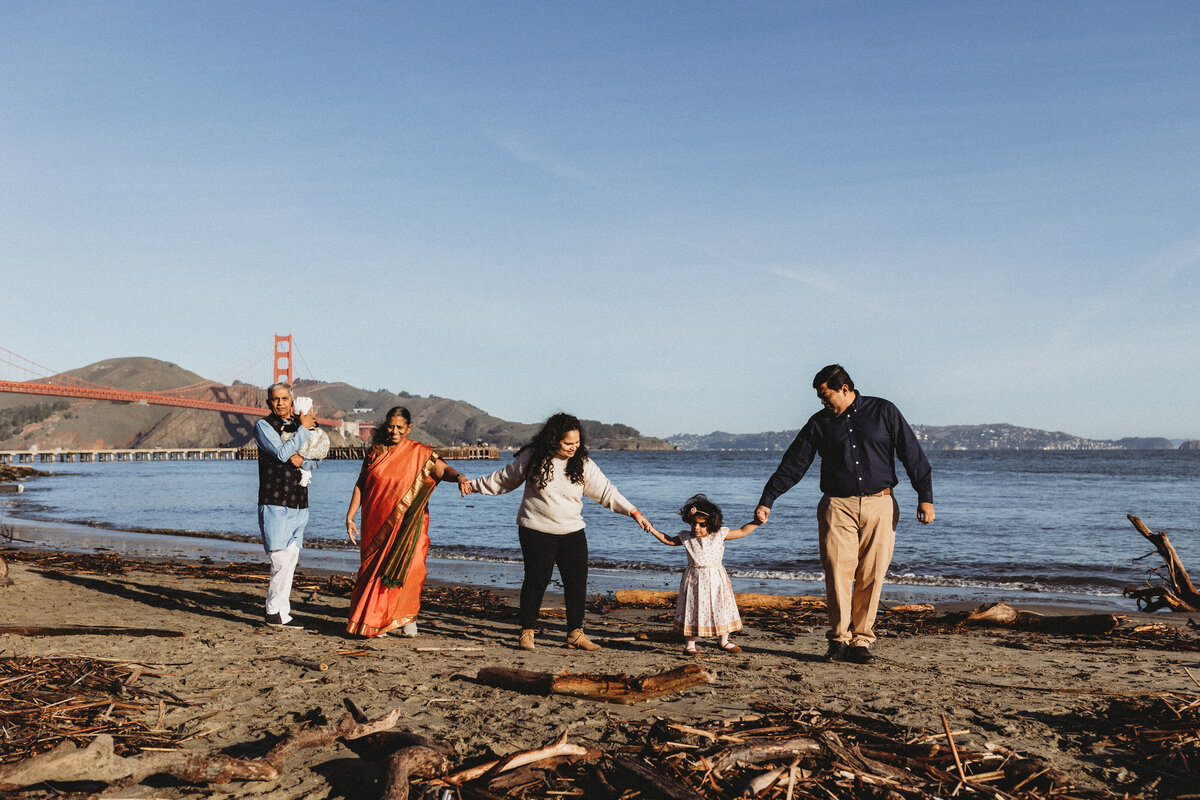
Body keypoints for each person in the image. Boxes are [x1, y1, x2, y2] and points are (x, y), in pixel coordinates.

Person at [755, 365, 934, 664]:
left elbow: (911, 454)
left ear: (845, 389)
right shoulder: (819, 423)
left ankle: (861, 641)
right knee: (837, 571)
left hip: (881, 503)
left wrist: (925, 497)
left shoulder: (884, 411)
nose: (822, 402)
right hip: (837, 506)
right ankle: (839, 639)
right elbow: (793, 464)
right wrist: (768, 499)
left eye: (825, 395)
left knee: (872, 574)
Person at [464, 412, 657, 651]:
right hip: (535, 529)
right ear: (554, 439)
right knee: (537, 581)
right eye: (568, 443)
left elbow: (607, 492)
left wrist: (634, 512)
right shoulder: (533, 457)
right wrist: (471, 485)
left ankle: (575, 634)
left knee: (577, 582)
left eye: (577, 443)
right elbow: (504, 479)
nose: (573, 448)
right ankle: (527, 632)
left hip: (572, 531)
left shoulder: (582, 463)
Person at [344, 407, 471, 638]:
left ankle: (407, 617)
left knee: (412, 570)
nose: (394, 431)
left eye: (399, 427)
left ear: (409, 428)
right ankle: (376, 619)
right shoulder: (375, 452)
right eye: (391, 426)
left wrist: (460, 476)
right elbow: (361, 484)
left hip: (411, 524)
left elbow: (442, 469)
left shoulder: (419, 453)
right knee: (374, 571)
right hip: (376, 523)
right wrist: (350, 516)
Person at [649, 494, 761, 654]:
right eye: (694, 523)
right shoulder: (686, 537)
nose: (696, 527)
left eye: (701, 524)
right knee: (692, 608)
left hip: (716, 579)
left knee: (721, 607)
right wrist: (651, 529)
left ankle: (723, 641)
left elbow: (742, 531)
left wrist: (757, 522)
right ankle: (690, 645)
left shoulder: (719, 534)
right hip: (694, 578)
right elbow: (668, 540)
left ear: (711, 524)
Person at [254, 382, 320, 629]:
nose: (280, 403)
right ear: (269, 402)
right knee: (280, 560)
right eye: (275, 399)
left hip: (299, 502)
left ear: (292, 401)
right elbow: (281, 454)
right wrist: (303, 428)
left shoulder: (300, 425)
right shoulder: (263, 426)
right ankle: (273, 613)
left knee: (291, 559)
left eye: (284, 398)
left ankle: (283, 612)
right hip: (274, 501)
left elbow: (316, 461)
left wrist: (304, 459)